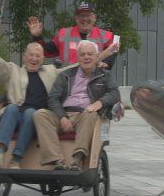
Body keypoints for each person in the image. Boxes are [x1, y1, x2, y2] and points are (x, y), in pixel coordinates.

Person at [0, 21, 82, 169]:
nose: (34, 59)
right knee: (11, 108)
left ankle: (16, 160)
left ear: (42, 59)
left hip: (39, 118)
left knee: (32, 113)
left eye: (38, 56)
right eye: (31, 55)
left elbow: (71, 69)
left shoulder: (51, 71)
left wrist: (97, 60)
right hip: (15, 115)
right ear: (24, 57)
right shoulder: (13, 71)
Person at [33, 40, 120, 171]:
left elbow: (114, 93)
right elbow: (53, 98)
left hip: (85, 115)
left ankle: (77, 159)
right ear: (78, 57)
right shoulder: (66, 75)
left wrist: (99, 102)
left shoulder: (105, 75)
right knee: (40, 114)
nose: (86, 57)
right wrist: (62, 117)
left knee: (90, 113)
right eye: (83, 54)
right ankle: (56, 160)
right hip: (64, 114)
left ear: (97, 57)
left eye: (90, 54)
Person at [27, 1, 119, 70]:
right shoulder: (63, 34)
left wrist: (106, 63)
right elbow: (46, 52)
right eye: (81, 16)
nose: (85, 19)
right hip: (68, 84)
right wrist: (37, 36)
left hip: (95, 84)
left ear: (94, 17)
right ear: (75, 18)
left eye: (88, 15)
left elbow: (112, 53)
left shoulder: (106, 36)